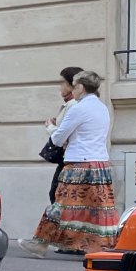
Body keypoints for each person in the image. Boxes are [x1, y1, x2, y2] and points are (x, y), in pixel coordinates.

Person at [20, 70, 116, 257]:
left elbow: (57, 139)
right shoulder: (102, 108)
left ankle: (40, 244)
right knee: (98, 209)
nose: (73, 89)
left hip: (78, 165)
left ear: (80, 87)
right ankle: (102, 248)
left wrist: (50, 127)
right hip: (100, 165)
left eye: (74, 85)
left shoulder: (78, 109)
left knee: (60, 205)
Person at [43, 65, 84, 203]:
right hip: (71, 158)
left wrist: (50, 127)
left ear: (71, 85)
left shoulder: (73, 105)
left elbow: (62, 137)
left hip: (69, 158)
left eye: (62, 83)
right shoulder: (72, 104)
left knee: (57, 195)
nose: (59, 87)